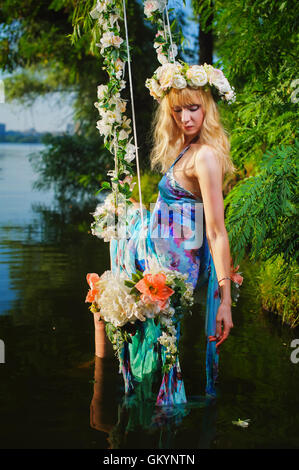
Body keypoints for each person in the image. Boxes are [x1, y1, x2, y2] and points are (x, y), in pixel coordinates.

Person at [109, 63, 241, 406]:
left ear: (208, 108)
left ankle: (118, 388)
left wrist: (225, 300)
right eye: (178, 110)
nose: (185, 118)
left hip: (173, 264)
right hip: (161, 249)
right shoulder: (187, 149)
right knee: (120, 225)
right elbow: (177, 210)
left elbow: (215, 230)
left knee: (112, 295)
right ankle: (109, 373)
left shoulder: (206, 156)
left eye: (193, 108)